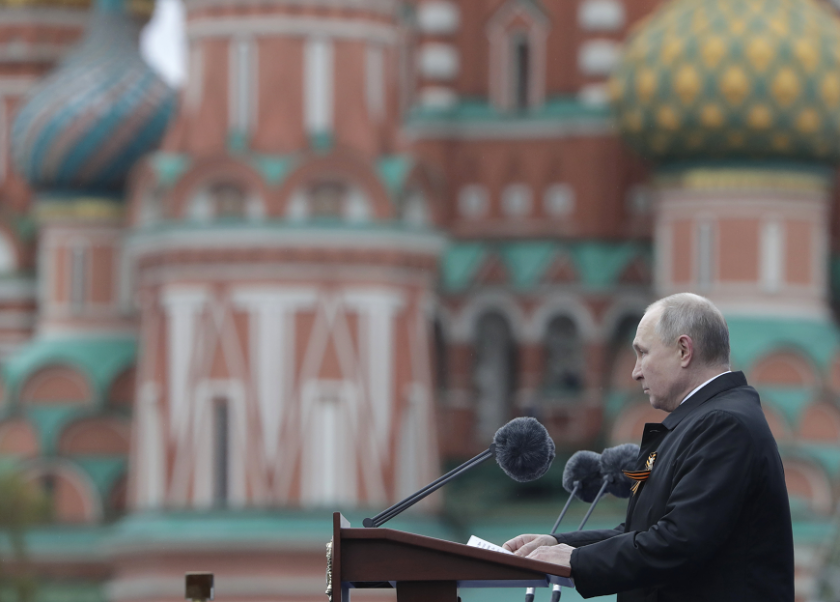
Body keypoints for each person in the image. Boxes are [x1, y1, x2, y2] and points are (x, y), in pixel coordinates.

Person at [503, 293, 794, 601]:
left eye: (642, 353)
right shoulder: (692, 424)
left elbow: (679, 541)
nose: (635, 371)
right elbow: (639, 532)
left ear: (684, 350)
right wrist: (556, 545)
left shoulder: (724, 425)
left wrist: (575, 561)